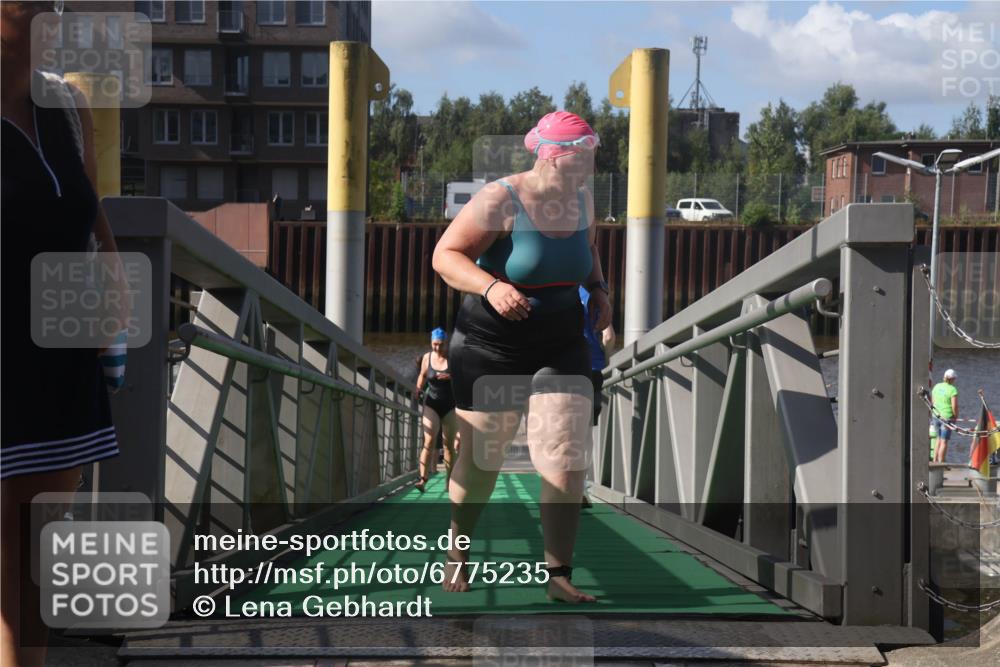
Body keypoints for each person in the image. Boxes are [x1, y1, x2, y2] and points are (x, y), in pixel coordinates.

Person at [432, 110, 611, 603]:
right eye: (582, 159)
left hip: (559, 340)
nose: (590, 169)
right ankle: (458, 552)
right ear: (553, 157)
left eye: (592, 159)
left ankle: (558, 575)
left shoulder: (584, 200)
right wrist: (491, 286)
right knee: (482, 465)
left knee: (565, 456)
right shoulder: (501, 198)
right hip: (493, 342)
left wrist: (598, 290)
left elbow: (590, 250)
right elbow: (445, 256)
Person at [2, 2, 126, 664]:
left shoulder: (66, 103)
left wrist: (113, 280)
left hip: (60, 360)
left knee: (37, 568)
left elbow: (89, 207)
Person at [414, 328, 459, 492]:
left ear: (446, 343)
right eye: (434, 344)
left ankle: (449, 480)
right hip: (432, 404)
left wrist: (451, 376)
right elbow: (423, 375)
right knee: (429, 441)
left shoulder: (453, 358)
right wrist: (418, 388)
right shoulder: (427, 357)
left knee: (448, 446)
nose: (437, 348)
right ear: (431, 343)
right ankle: (422, 479)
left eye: (441, 345)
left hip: (450, 405)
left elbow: (464, 377)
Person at [931, 369, 959, 463]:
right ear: (953, 379)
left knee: (938, 438)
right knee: (944, 441)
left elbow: (933, 402)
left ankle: (934, 460)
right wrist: (955, 416)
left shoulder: (936, 386)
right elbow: (954, 406)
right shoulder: (952, 390)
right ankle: (941, 462)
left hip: (936, 416)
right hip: (947, 418)